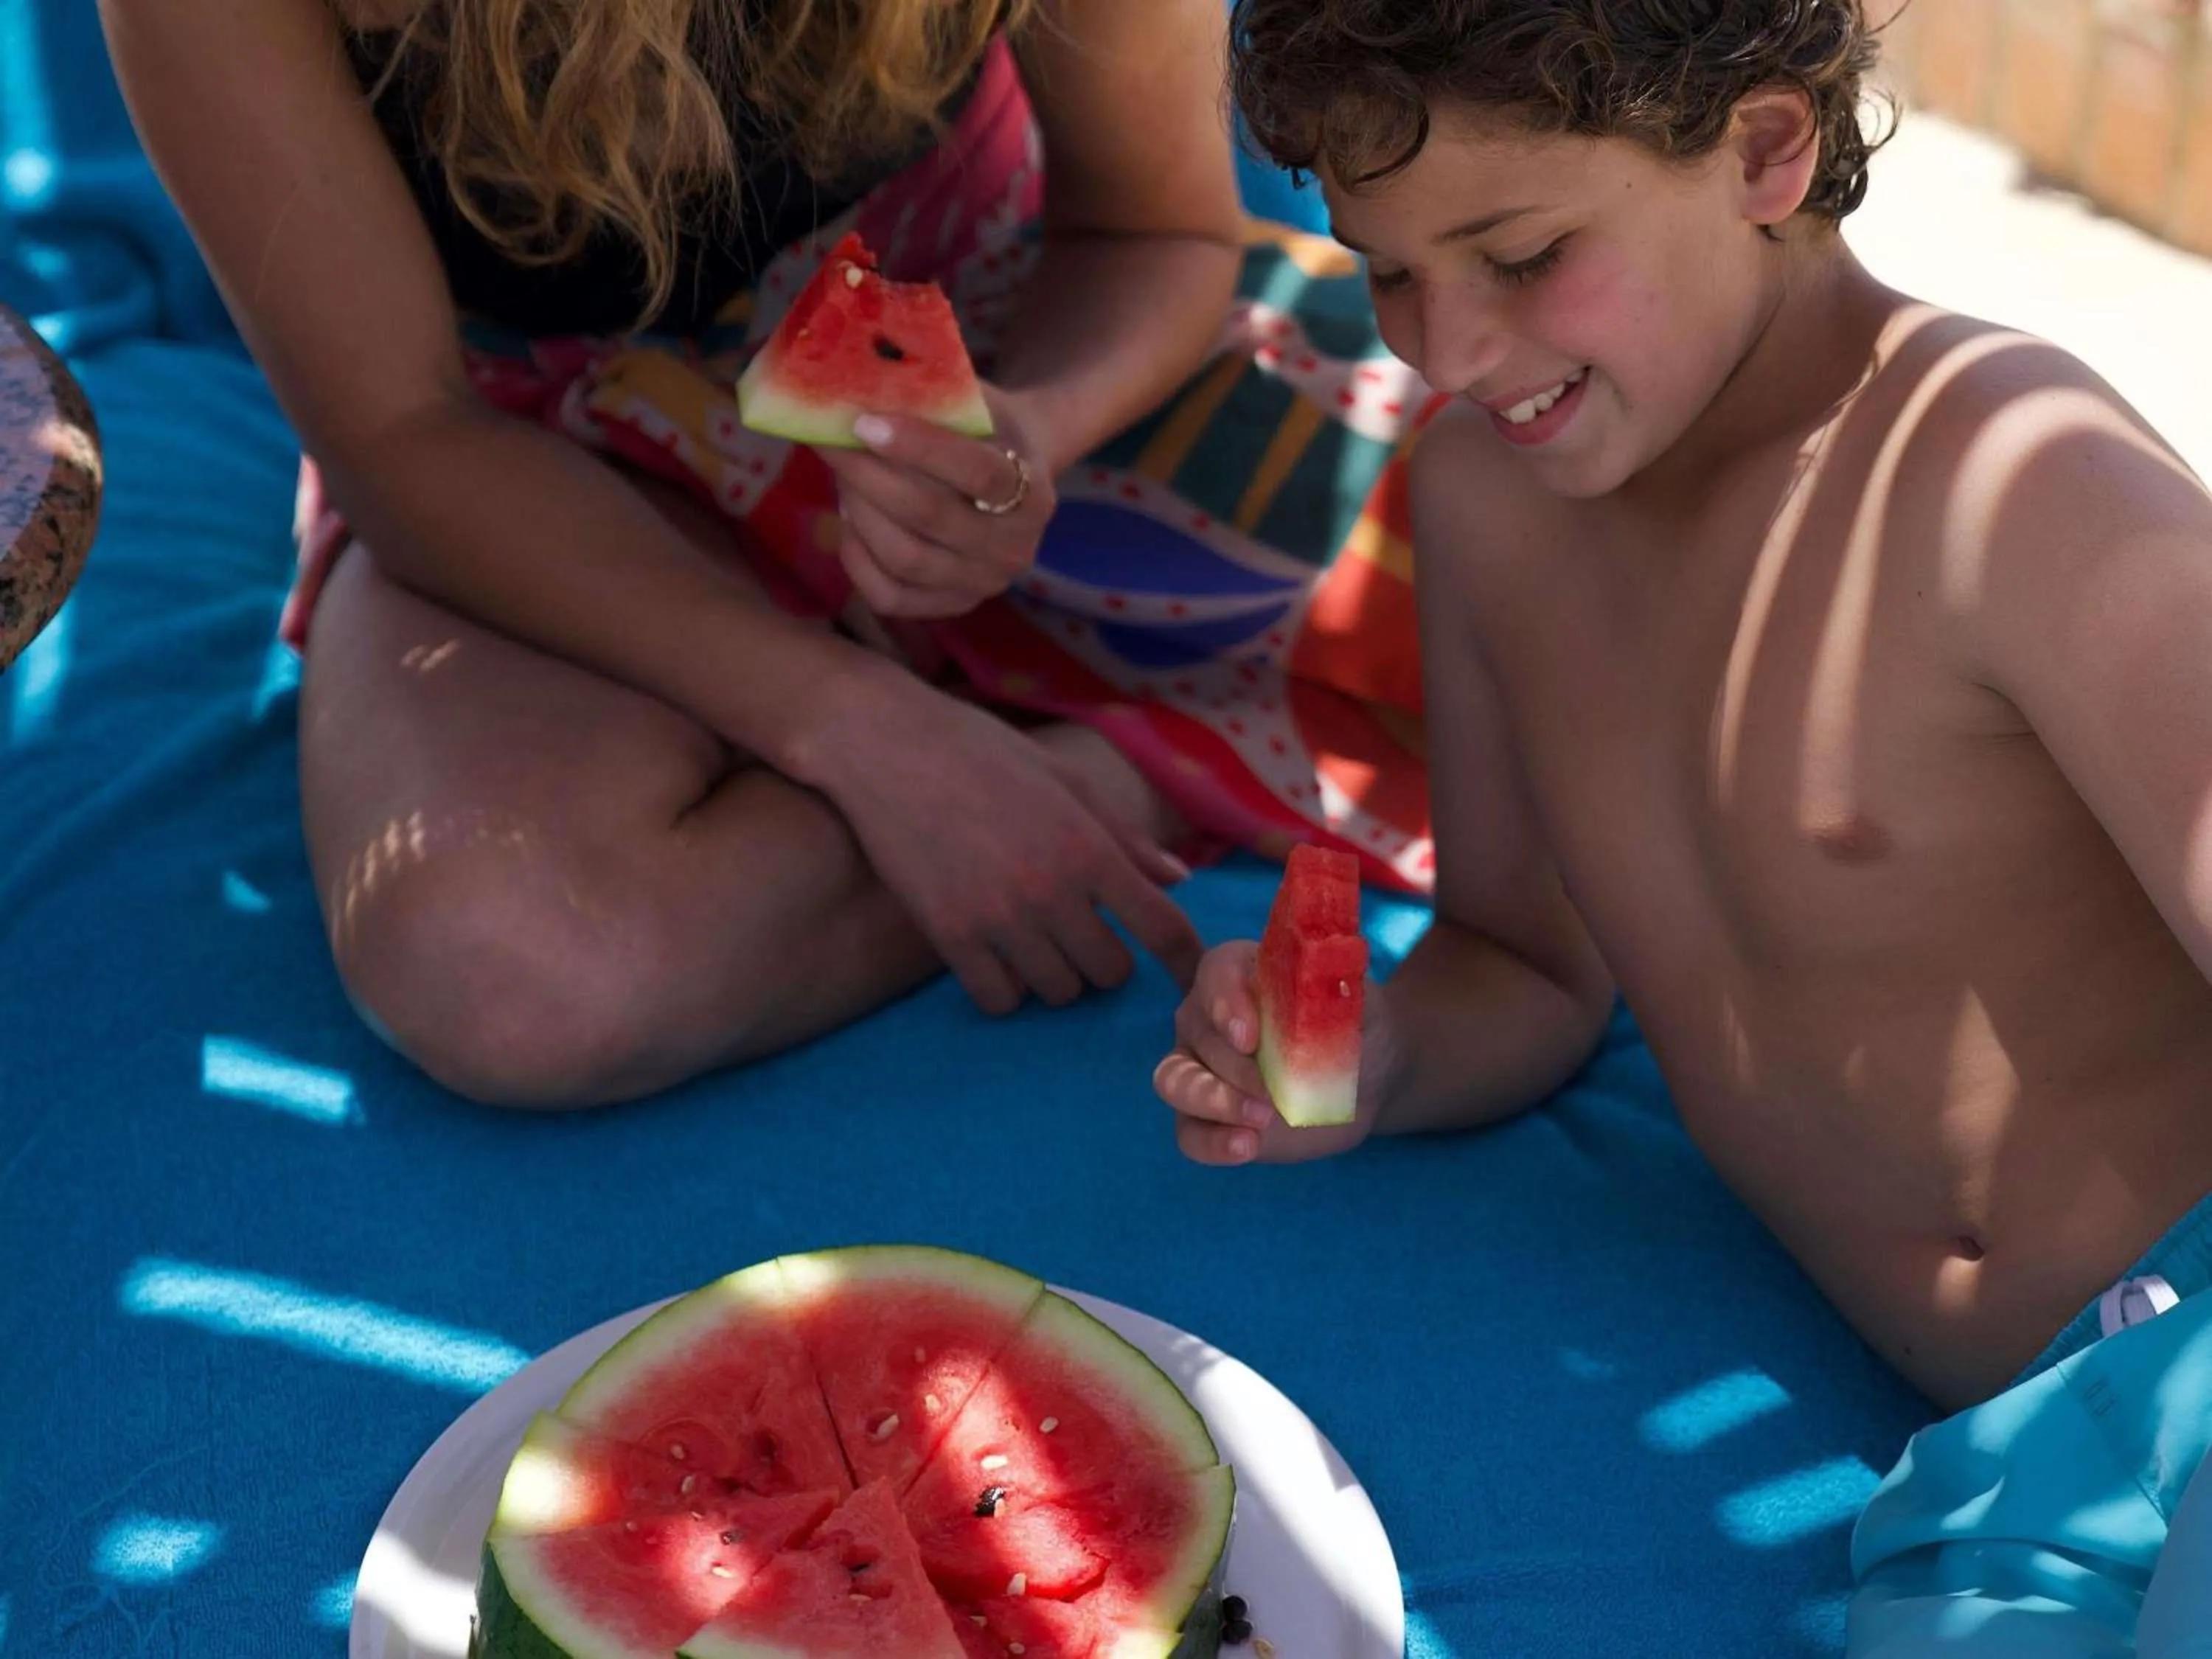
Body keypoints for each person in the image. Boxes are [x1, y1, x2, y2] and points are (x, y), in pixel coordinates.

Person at [1155, 1, 2212, 1650]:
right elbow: (1520, 964)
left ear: (1767, 154)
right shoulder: (1489, 505)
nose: (1447, 346)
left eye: (1520, 253)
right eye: (1392, 271)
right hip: (2020, 1473)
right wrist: (1368, 1063)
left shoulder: (2012, 474)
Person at [97, 0, 1439, 1107]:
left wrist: (1029, 428)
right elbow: (405, 430)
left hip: (982, 328)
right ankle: (1127, 773)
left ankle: (1040, 771)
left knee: (1558, 568)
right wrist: (858, 729)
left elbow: (1153, 229)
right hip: (542, 475)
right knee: (510, 967)